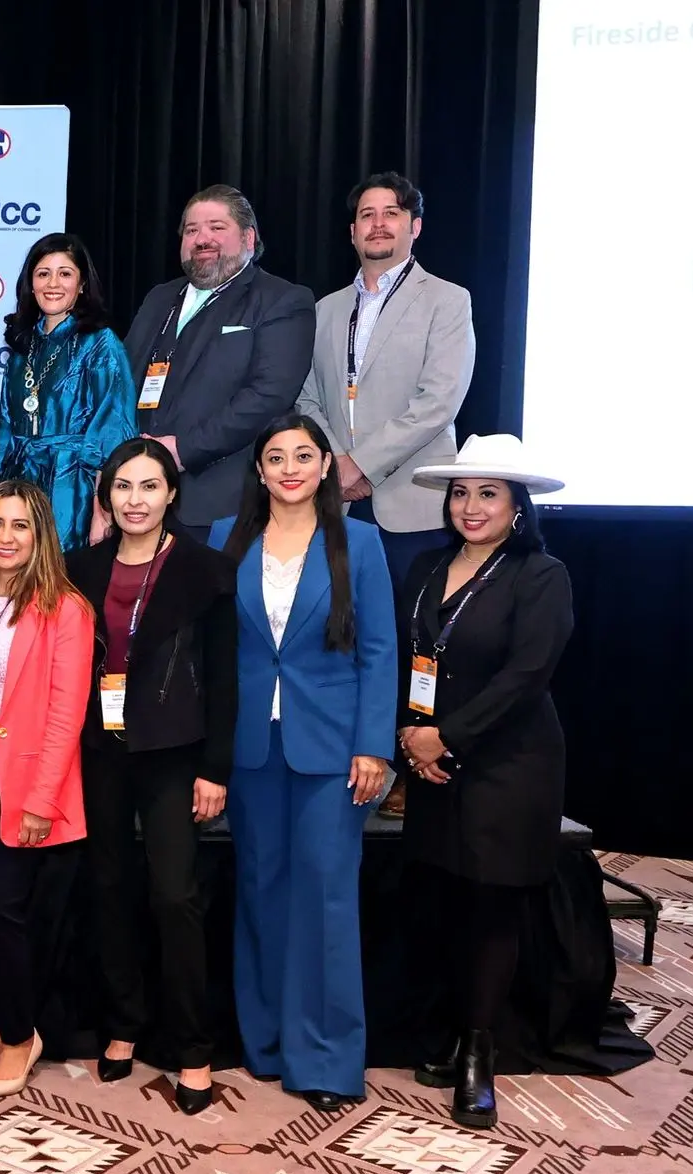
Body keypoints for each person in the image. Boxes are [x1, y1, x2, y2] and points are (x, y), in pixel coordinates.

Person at [211, 416, 396, 1112]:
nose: (289, 467)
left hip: (333, 750)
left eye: (303, 456)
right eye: (275, 457)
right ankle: (265, 1043)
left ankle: (323, 1058)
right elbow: (218, 653)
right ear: (259, 470)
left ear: (325, 466)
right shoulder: (226, 538)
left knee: (324, 898)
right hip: (254, 747)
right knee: (260, 889)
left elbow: (380, 651)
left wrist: (374, 744)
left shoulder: (362, 543)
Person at [395, 434, 572, 1130]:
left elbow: (526, 678)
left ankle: (478, 1056)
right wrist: (412, 737)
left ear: (517, 509)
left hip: (509, 766)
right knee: (444, 901)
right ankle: (449, 1028)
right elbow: (414, 661)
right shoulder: (423, 566)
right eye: (462, 492)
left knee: (493, 907)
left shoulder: (542, 575)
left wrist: (450, 736)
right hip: (432, 762)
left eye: (489, 494)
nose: (471, 507)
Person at [295, 173, 477, 818]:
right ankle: (344, 752)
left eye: (391, 214)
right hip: (337, 501)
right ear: (351, 232)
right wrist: (331, 464)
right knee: (343, 634)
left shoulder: (446, 301)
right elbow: (309, 397)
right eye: (366, 215)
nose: (378, 224)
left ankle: (408, 766)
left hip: (409, 500)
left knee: (410, 637)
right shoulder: (324, 310)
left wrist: (362, 464)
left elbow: (439, 402)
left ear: (414, 226)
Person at [66, 438, 238, 1116]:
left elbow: (225, 679)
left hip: (175, 750)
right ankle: (122, 1024)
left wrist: (214, 769)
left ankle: (192, 1047)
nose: (134, 500)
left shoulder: (206, 570)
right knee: (109, 887)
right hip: (100, 749)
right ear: (106, 496)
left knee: (173, 896)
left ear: (172, 494)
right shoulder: (80, 567)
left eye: (148, 486)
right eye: (122, 487)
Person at [0, 480, 93, 1100]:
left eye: (20, 526)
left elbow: (67, 713)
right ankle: (3, 1024)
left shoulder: (65, 608)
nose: (6, 537)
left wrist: (41, 799)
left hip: (27, 777)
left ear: (41, 537)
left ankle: (20, 1036)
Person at [125, 186, 314, 545]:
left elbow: (268, 395)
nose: (202, 238)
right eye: (192, 230)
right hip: (141, 498)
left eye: (216, 227)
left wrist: (183, 450)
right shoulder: (159, 298)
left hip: (220, 503)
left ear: (248, 237)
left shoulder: (282, 300)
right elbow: (123, 380)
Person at [0, 233, 136, 552]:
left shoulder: (100, 344)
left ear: (81, 284)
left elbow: (114, 431)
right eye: (43, 274)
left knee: (64, 580)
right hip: (21, 484)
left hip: (73, 488)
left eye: (65, 273)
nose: (53, 283)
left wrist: (103, 510)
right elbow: (6, 423)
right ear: (31, 283)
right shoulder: (22, 347)